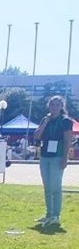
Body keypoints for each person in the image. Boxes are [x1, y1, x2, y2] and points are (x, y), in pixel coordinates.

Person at [34, 95, 73, 227]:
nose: (54, 107)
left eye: (57, 105)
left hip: (57, 156)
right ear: (49, 106)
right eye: (52, 105)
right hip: (45, 156)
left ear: (61, 106)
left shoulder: (66, 121)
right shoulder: (45, 119)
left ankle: (56, 215)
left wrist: (65, 158)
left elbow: (68, 141)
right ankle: (48, 214)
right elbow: (37, 135)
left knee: (55, 186)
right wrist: (45, 122)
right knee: (47, 187)